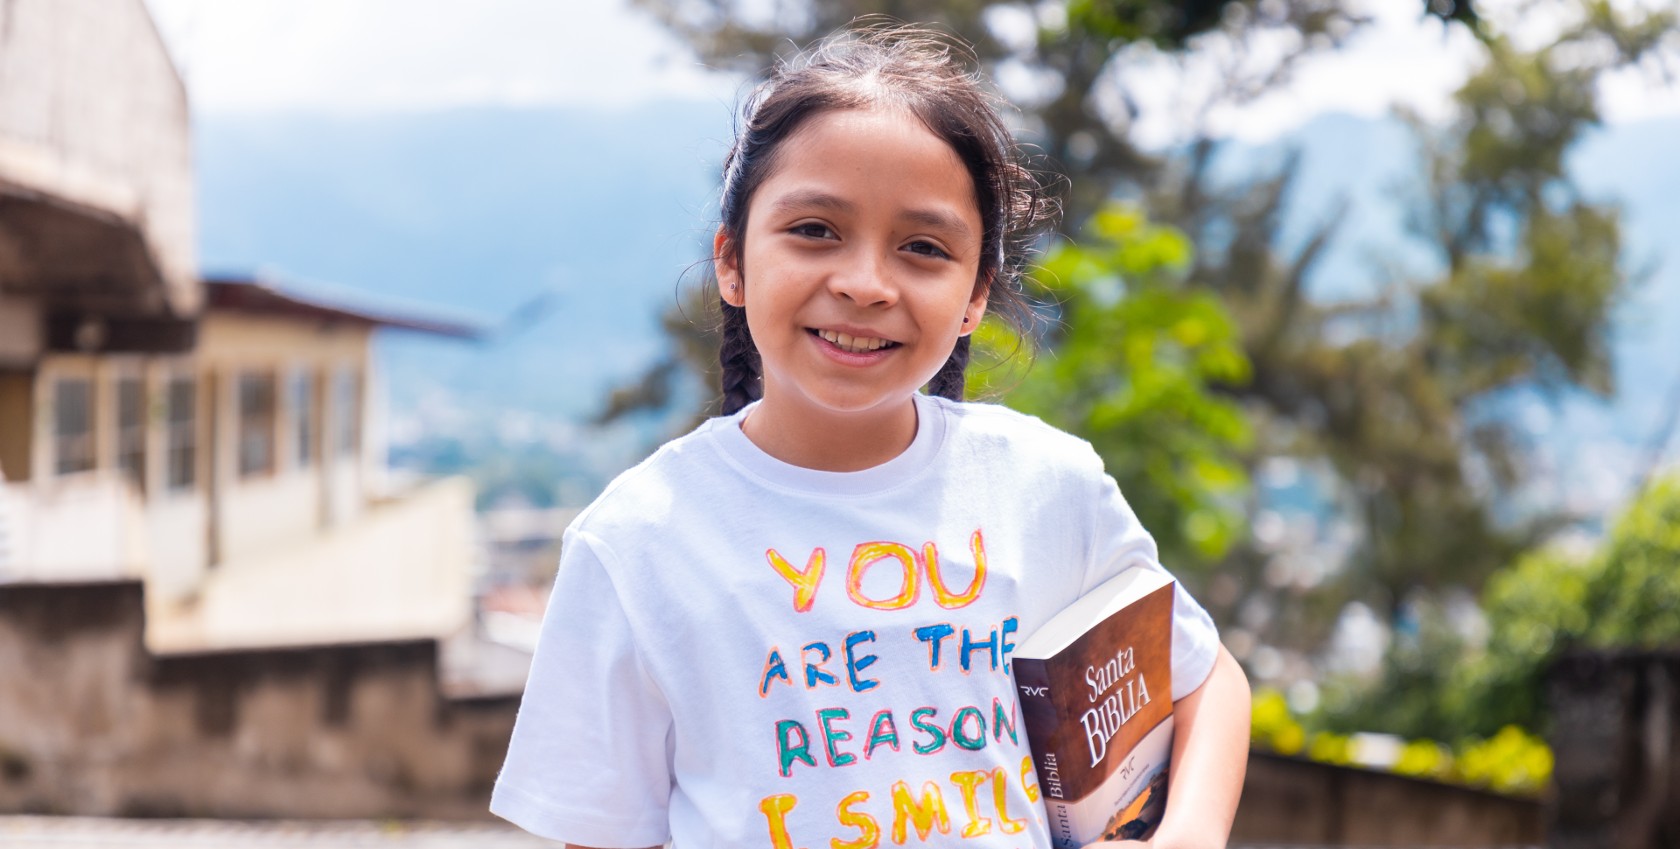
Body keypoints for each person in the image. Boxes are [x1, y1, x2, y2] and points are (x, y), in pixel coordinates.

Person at [491, 24, 1251, 849]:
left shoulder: (1044, 487)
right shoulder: (636, 543)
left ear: (973, 297)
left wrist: (1190, 834)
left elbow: (1204, 676)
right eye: (815, 229)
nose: (863, 284)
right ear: (732, 262)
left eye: (923, 248)